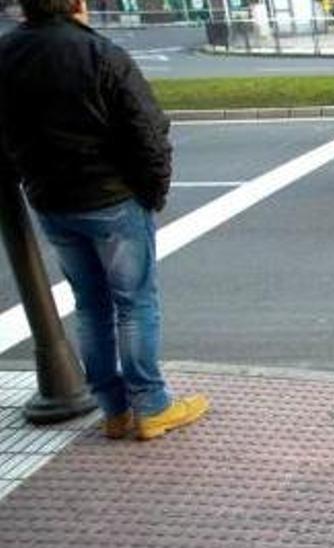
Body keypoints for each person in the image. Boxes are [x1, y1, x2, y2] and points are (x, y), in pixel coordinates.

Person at [0, 0, 209, 439]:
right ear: (76, 4)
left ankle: (113, 409)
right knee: (135, 303)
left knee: (91, 307)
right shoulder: (100, 54)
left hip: (53, 202)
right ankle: (151, 405)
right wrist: (154, 190)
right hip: (112, 198)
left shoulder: (7, 54)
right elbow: (147, 128)